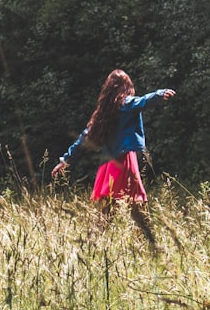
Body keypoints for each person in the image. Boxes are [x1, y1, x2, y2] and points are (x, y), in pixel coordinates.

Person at [51, 69, 176, 244]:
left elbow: (83, 137)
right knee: (136, 204)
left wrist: (66, 160)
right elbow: (142, 101)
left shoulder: (103, 113)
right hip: (124, 161)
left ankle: (92, 244)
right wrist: (159, 94)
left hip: (109, 165)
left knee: (109, 211)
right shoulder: (126, 104)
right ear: (126, 87)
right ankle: (149, 245)